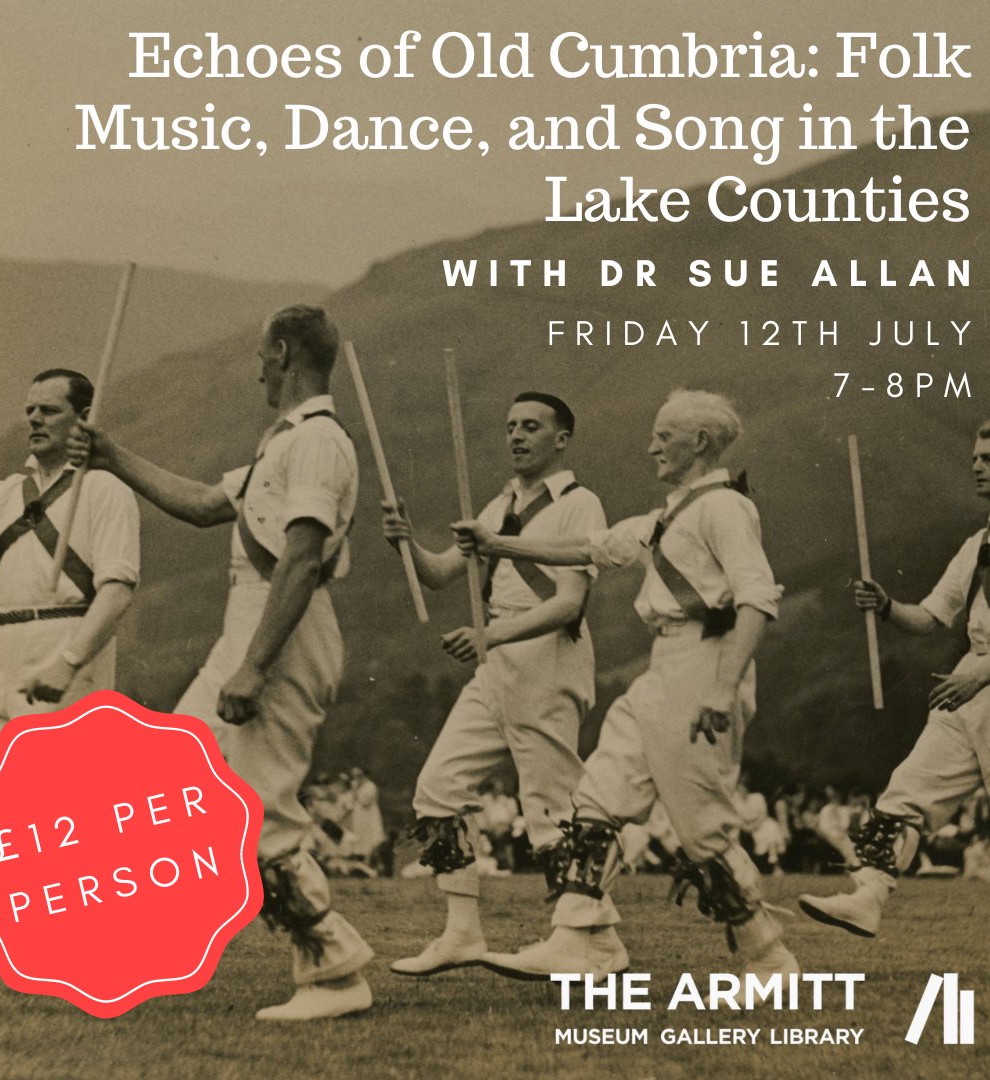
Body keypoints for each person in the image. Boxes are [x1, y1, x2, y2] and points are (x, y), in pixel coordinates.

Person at [68, 305, 373, 1020]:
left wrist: (254, 666)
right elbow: (208, 504)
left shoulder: (319, 443)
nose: (257, 368)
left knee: (258, 809)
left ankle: (333, 971)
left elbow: (299, 559)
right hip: (253, 621)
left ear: (287, 352)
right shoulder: (286, 442)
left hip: (279, 626)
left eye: (263, 355)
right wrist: (113, 455)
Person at [453, 389, 797, 982]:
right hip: (662, 670)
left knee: (702, 833)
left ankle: (769, 958)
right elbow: (590, 549)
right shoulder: (668, 515)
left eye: (665, 436)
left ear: (702, 443)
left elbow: (757, 599)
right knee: (596, 798)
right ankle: (581, 941)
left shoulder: (725, 509)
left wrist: (723, 688)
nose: (651, 446)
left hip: (704, 668)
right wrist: (497, 544)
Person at [381, 392, 606, 976]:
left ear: (562, 439)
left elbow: (569, 604)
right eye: (510, 426)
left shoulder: (581, 505)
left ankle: (591, 942)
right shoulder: (499, 503)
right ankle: (461, 934)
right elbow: (438, 576)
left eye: (531, 426)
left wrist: (492, 637)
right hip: (497, 667)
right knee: (437, 787)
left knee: (554, 809)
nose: (516, 436)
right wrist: (406, 541)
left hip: (547, 664)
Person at [0, 369, 139, 923]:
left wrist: (67, 661)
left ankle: (98, 924)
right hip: (4, 641)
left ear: (83, 420)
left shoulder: (106, 491)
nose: (33, 419)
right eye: (30, 410)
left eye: (49, 410)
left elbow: (117, 589)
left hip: (67, 640)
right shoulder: (6, 494)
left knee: (58, 802)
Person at [800, 419, 990, 936]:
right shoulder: (977, 544)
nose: (977, 466)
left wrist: (980, 676)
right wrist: (885, 606)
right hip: (966, 693)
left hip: (978, 681)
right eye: (975, 457)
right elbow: (930, 618)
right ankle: (868, 898)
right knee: (904, 798)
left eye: (988, 459)